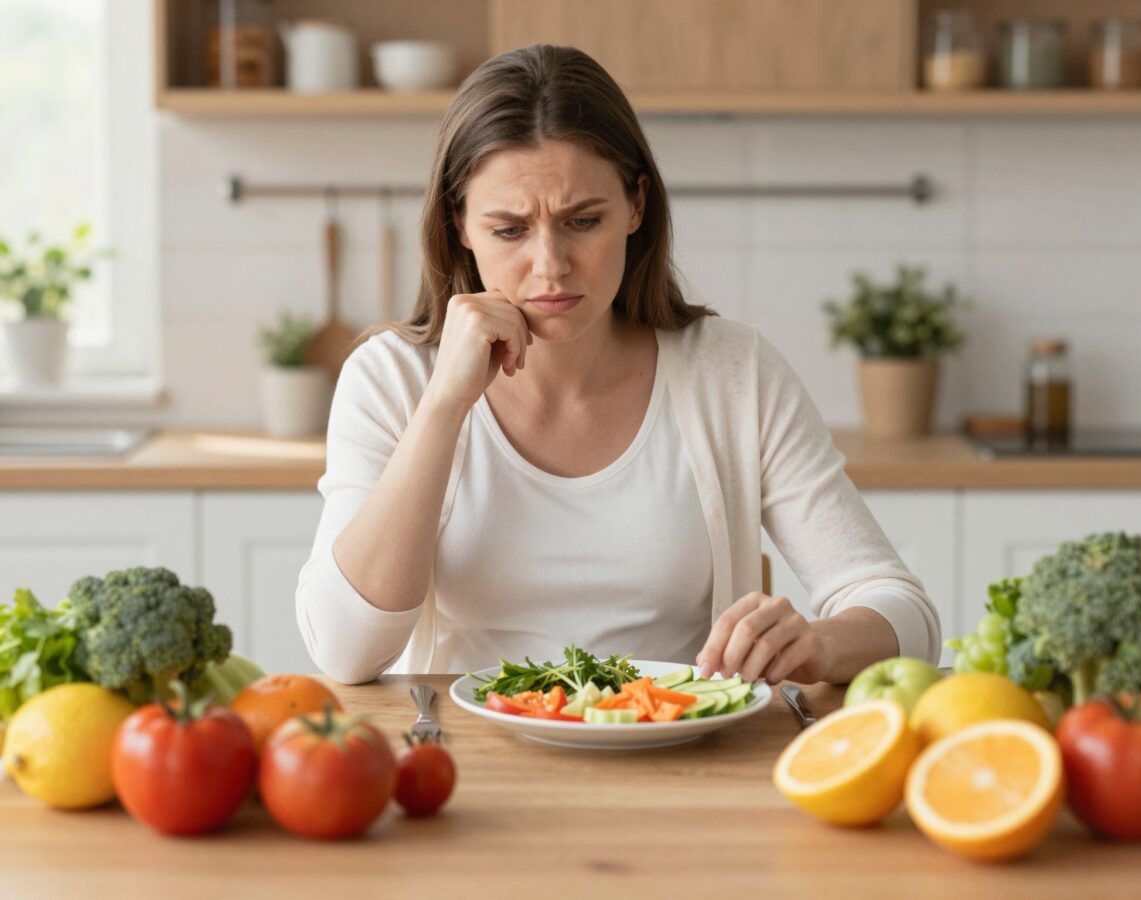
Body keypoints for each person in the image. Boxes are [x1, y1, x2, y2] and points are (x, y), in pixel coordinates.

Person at [296, 44, 940, 686]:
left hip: (677, 761)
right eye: (510, 230)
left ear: (636, 205)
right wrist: (442, 407)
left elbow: (904, 613)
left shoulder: (733, 373)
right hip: (468, 766)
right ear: (458, 224)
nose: (550, 265)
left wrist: (818, 644)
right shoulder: (390, 379)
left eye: (583, 220)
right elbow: (345, 651)